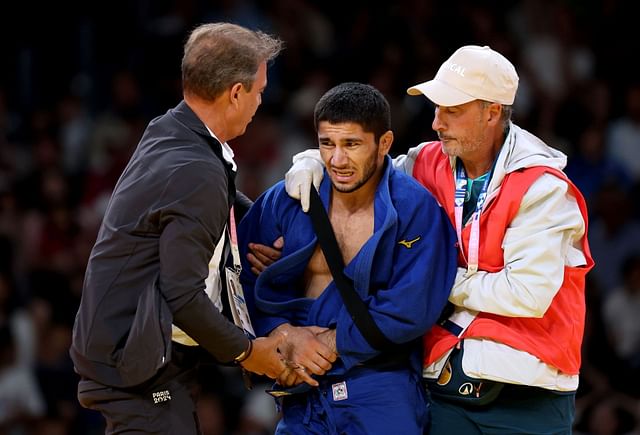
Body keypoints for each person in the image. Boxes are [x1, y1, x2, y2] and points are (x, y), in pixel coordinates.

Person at [280, 46, 594, 434]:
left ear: (492, 112)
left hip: (526, 395)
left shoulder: (543, 188)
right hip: (444, 390)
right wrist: (310, 160)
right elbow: (361, 171)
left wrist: (424, 279)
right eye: (436, 108)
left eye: (452, 110)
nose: (436, 122)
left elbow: (525, 293)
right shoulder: (425, 161)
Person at [70, 22, 290, 434]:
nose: (261, 101)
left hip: (133, 352)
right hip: (131, 366)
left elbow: (217, 201)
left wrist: (260, 226)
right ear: (236, 93)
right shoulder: (197, 170)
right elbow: (183, 294)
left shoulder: (174, 128)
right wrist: (248, 353)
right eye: (259, 90)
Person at [238, 82, 457, 434]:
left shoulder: (415, 209)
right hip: (301, 387)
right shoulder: (289, 198)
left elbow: (412, 306)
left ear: (384, 143)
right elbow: (241, 279)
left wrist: (328, 343)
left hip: (380, 387)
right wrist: (281, 334)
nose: (337, 160)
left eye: (351, 144)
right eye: (327, 144)